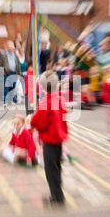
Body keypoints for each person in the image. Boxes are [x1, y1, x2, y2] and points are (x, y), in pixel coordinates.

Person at [30, 70, 68, 207]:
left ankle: (57, 195)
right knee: (57, 165)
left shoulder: (45, 102)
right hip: (59, 138)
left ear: (42, 87)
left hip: (49, 139)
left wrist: (32, 121)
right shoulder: (61, 99)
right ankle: (58, 186)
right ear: (57, 85)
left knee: (50, 169)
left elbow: (39, 122)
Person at [0, 40, 21, 106]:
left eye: (12, 48)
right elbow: (0, 64)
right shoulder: (3, 54)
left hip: (14, 73)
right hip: (6, 73)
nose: (11, 49)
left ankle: (11, 100)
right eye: (10, 48)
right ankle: (4, 101)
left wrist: (18, 73)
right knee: (6, 87)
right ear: (7, 47)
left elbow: (18, 64)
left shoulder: (15, 55)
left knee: (13, 87)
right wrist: (2, 72)